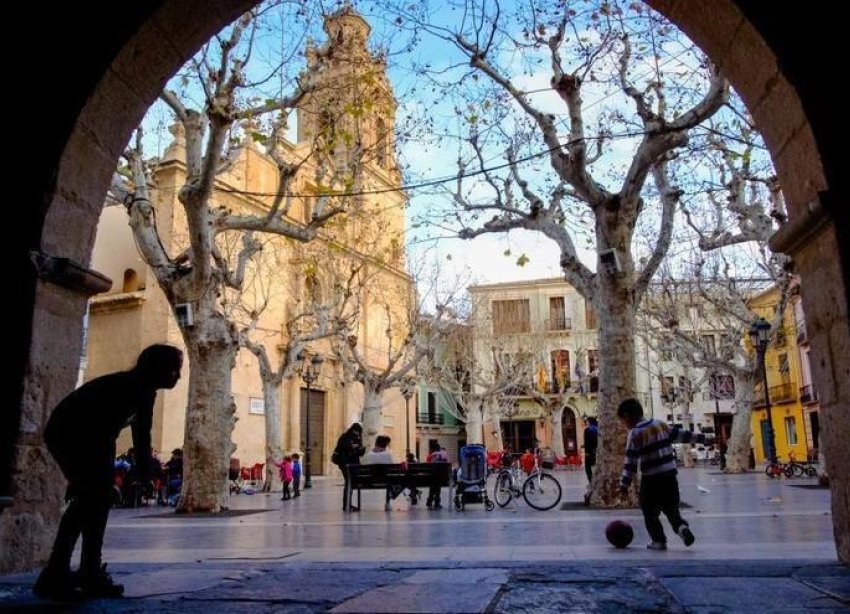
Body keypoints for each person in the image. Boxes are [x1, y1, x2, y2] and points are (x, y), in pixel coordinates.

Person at [34, 344, 183, 600]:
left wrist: (144, 468)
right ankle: (75, 572)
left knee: (91, 501)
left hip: (86, 437)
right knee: (93, 498)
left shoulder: (145, 392)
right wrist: (106, 475)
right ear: (157, 368)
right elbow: (100, 431)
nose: (178, 376)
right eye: (174, 370)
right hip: (71, 435)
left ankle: (71, 571)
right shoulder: (126, 388)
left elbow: (141, 434)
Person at [617, 398, 710, 551]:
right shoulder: (660, 424)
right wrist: (704, 439)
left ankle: (659, 541)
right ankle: (681, 528)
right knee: (672, 510)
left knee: (649, 512)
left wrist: (624, 484)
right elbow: (682, 435)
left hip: (650, 479)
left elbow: (630, 462)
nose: (624, 425)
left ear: (627, 417)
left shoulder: (635, 434)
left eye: (623, 421)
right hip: (669, 476)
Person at [332, 423, 366, 512]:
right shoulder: (349, 437)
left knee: (349, 483)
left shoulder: (348, 436)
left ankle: (347, 504)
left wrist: (360, 449)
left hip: (347, 464)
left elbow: (358, 452)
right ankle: (347, 505)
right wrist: (356, 448)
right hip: (348, 464)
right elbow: (347, 449)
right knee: (349, 483)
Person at [364, 435, 398, 511]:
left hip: (371, 480)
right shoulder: (387, 455)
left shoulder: (369, 455)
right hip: (386, 480)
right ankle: (389, 500)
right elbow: (393, 467)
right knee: (394, 480)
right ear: (385, 444)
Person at [425, 440, 448, 509]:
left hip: (432, 476)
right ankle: (437, 502)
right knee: (438, 486)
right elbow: (446, 464)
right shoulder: (443, 454)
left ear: (433, 449)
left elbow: (427, 465)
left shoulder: (431, 455)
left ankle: (429, 501)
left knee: (432, 486)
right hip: (440, 476)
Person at [582, 416, 598, 484]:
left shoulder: (587, 430)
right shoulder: (598, 429)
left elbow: (587, 442)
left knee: (587, 467)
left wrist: (586, 453)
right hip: (597, 451)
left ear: (589, 422)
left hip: (589, 452)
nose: (586, 422)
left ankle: (591, 481)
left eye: (587, 421)